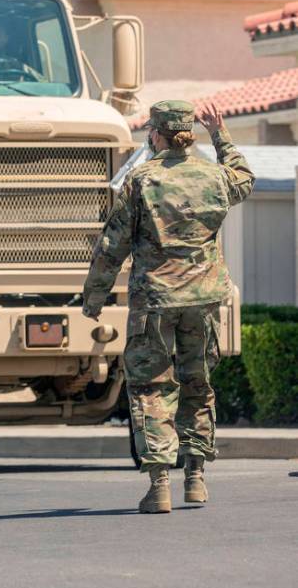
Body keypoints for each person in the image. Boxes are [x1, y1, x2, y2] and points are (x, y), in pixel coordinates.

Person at [81, 99, 255, 514]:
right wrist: (221, 134)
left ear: (156, 134)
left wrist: (94, 297)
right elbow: (245, 180)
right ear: (189, 133)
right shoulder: (215, 176)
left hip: (155, 302)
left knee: (152, 388)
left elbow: (113, 245)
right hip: (204, 300)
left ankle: (159, 485)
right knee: (197, 383)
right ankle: (195, 478)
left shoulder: (141, 180)